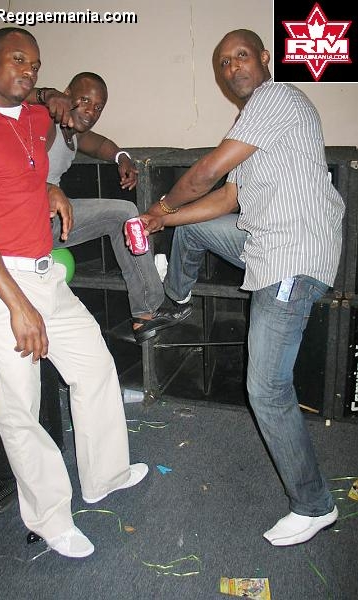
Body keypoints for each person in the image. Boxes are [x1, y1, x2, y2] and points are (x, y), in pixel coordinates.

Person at [0, 27, 148, 559]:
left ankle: (104, 475)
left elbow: (27, 166)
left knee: (95, 366)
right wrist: (17, 304)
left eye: (34, 64)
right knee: (21, 407)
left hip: (44, 272)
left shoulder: (34, 121)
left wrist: (49, 188)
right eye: (18, 59)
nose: (28, 71)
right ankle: (50, 518)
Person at [139, 29, 344, 546]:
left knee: (267, 390)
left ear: (264, 58)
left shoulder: (277, 97)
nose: (233, 67)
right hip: (263, 241)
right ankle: (177, 300)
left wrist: (160, 206)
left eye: (241, 56)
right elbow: (226, 200)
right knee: (193, 229)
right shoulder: (249, 125)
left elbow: (205, 173)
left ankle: (315, 505)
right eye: (224, 62)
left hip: (292, 256)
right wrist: (167, 222)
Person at [36, 72, 185, 343]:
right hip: (29, 222)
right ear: (67, 93)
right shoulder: (45, 121)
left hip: (53, 220)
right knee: (124, 214)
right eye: (84, 100)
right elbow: (8, 100)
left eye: (98, 107)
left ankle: (146, 313)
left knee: (124, 216)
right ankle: (148, 309)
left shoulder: (72, 132)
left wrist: (122, 158)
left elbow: (101, 145)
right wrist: (44, 95)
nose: (91, 111)